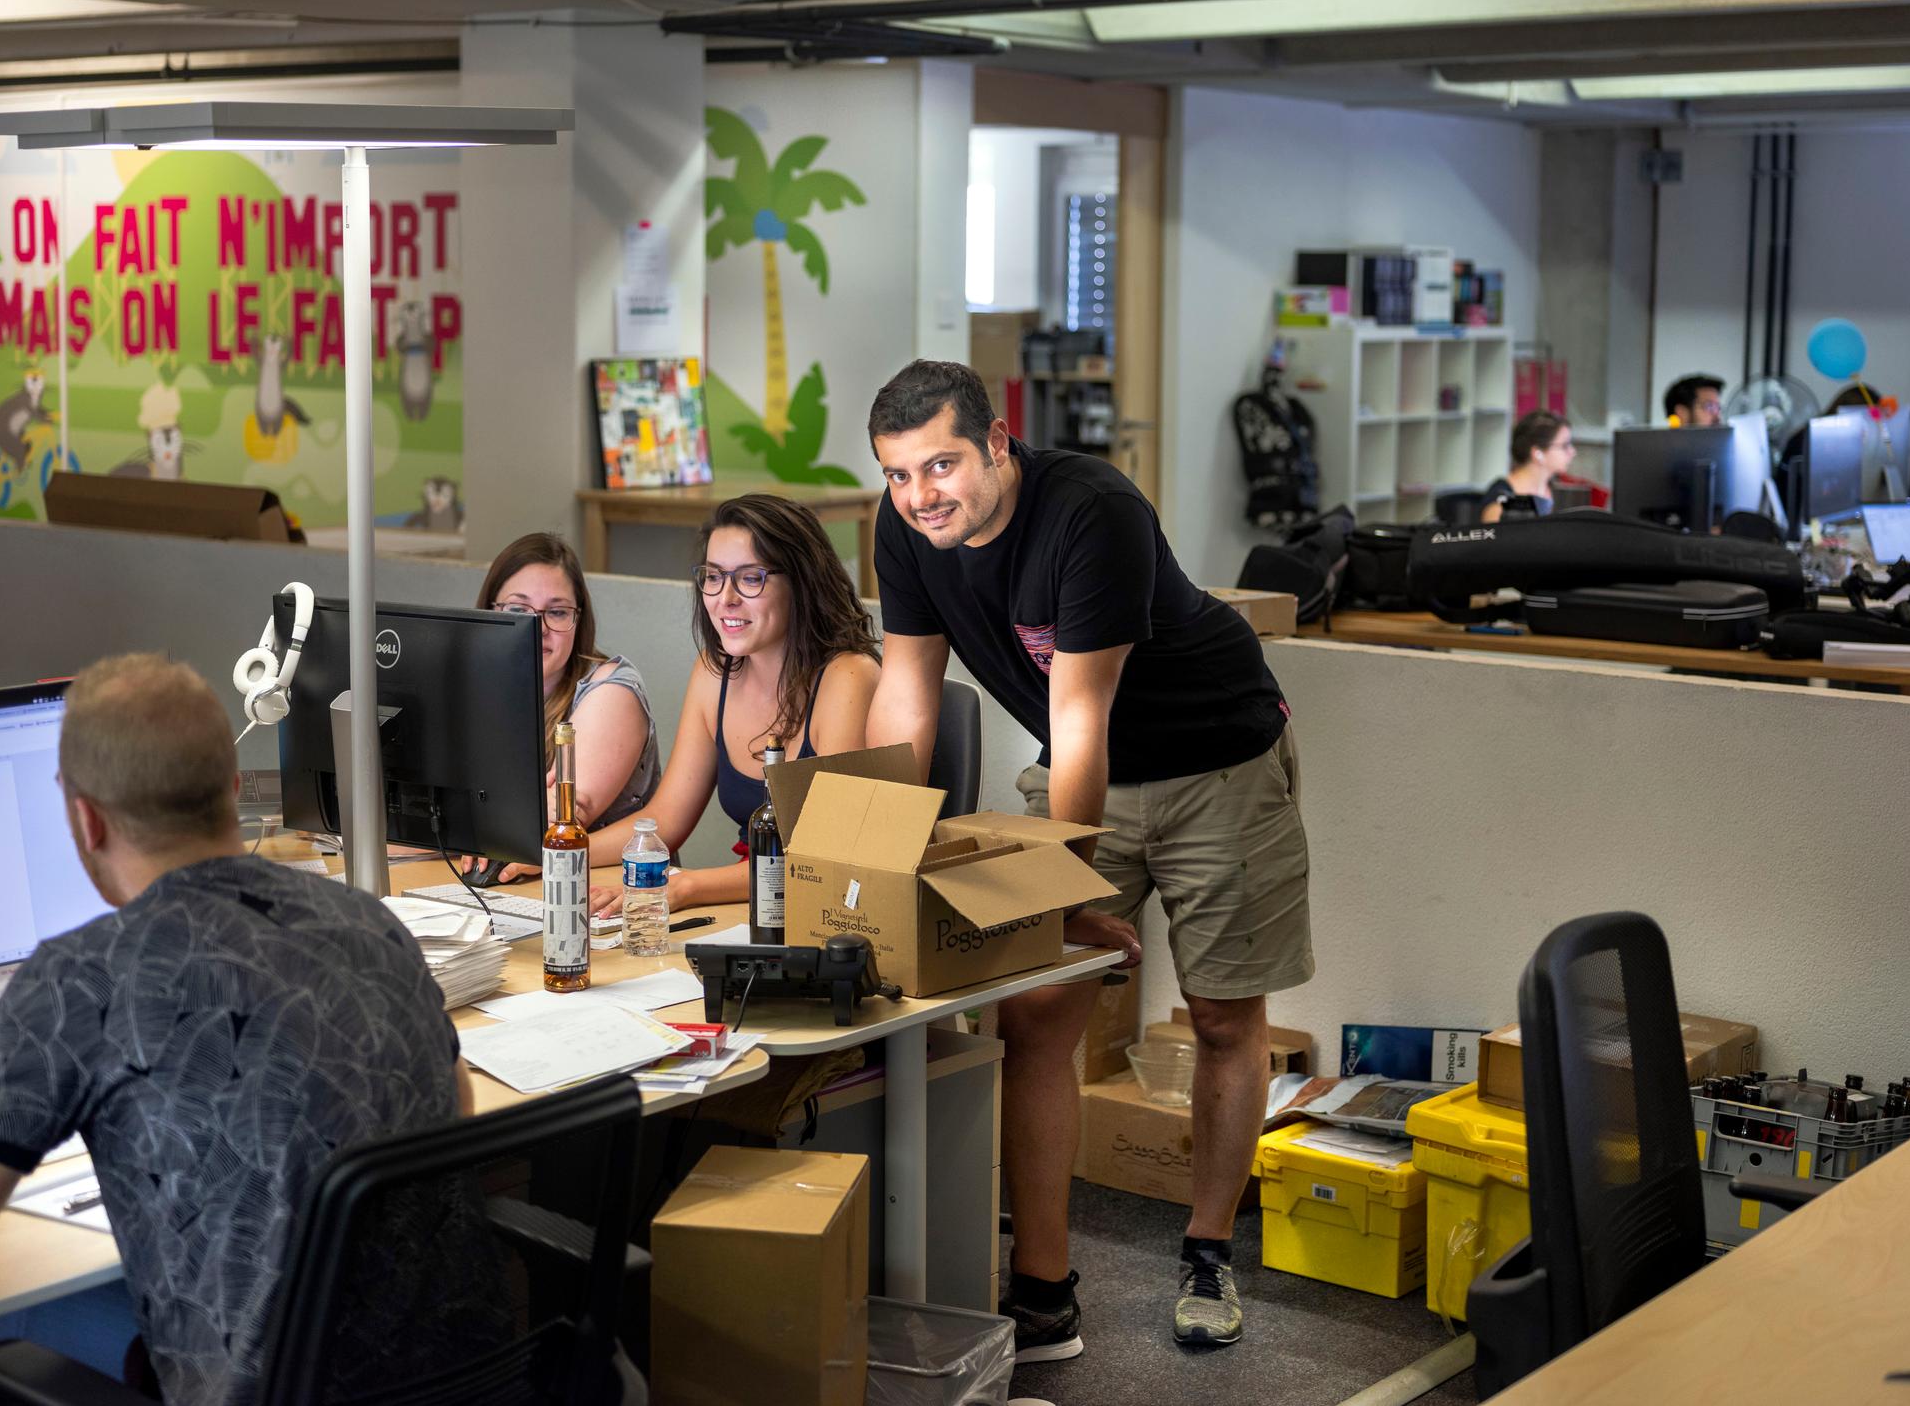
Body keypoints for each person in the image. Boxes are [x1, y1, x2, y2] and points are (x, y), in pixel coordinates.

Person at [863, 361, 1310, 1355]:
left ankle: (1204, 1248)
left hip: (1215, 760)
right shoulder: (903, 532)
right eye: (897, 475)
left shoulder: (1088, 511)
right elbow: (904, 697)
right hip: (1080, 761)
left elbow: (1078, 716)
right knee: (1034, 1016)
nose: (920, 494)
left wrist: (1060, 907)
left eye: (939, 464)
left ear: (995, 442)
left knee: (1224, 1017)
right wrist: (874, 864)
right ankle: (1042, 1290)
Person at [0, 654, 496, 1405]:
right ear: (231, 788)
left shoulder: (75, 980)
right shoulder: (369, 922)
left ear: (85, 818)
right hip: (474, 1380)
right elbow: (453, 1111)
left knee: (28, 1312)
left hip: (265, 1388)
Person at [586, 493, 880, 913]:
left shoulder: (848, 678)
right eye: (713, 576)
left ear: (801, 582)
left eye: (750, 577)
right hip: (753, 904)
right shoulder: (714, 671)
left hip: (825, 908)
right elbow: (666, 819)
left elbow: (821, 857)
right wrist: (552, 853)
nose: (724, 599)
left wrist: (685, 887)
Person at [469, 533, 661, 883]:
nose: (538, 628)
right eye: (518, 610)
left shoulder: (611, 689)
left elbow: (565, 813)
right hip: (516, 883)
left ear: (578, 620)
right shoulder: (474, 684)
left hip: (607, 892)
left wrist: (470, 821)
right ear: (489, 611)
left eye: (557, 612)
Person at [1479, 410, 1576, 522]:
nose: (1572, 452)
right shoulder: (1500, 496)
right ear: (1537, 453)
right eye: (1565, 445)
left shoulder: (1559, 490)